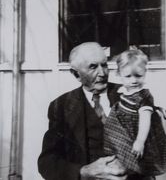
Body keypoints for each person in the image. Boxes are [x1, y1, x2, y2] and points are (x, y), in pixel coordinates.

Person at [38, 42, 127, 180]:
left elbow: (159, 149)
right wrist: (83, 172)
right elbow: (47, 162)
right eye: (93, 67)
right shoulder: (61, 106)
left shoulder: (130, 94)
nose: (102, 73)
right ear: (76, 74)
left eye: (104, 65)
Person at [104, 48, 166, 179]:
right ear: (118, 74)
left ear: (145, 73)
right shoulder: (123, 91)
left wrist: (140, 141)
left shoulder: (144, 96)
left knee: (140, 167)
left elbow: (145, 118)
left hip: (138, 135)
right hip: (126, 133)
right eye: (128, 76)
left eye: (138, 76)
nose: (134, 81)